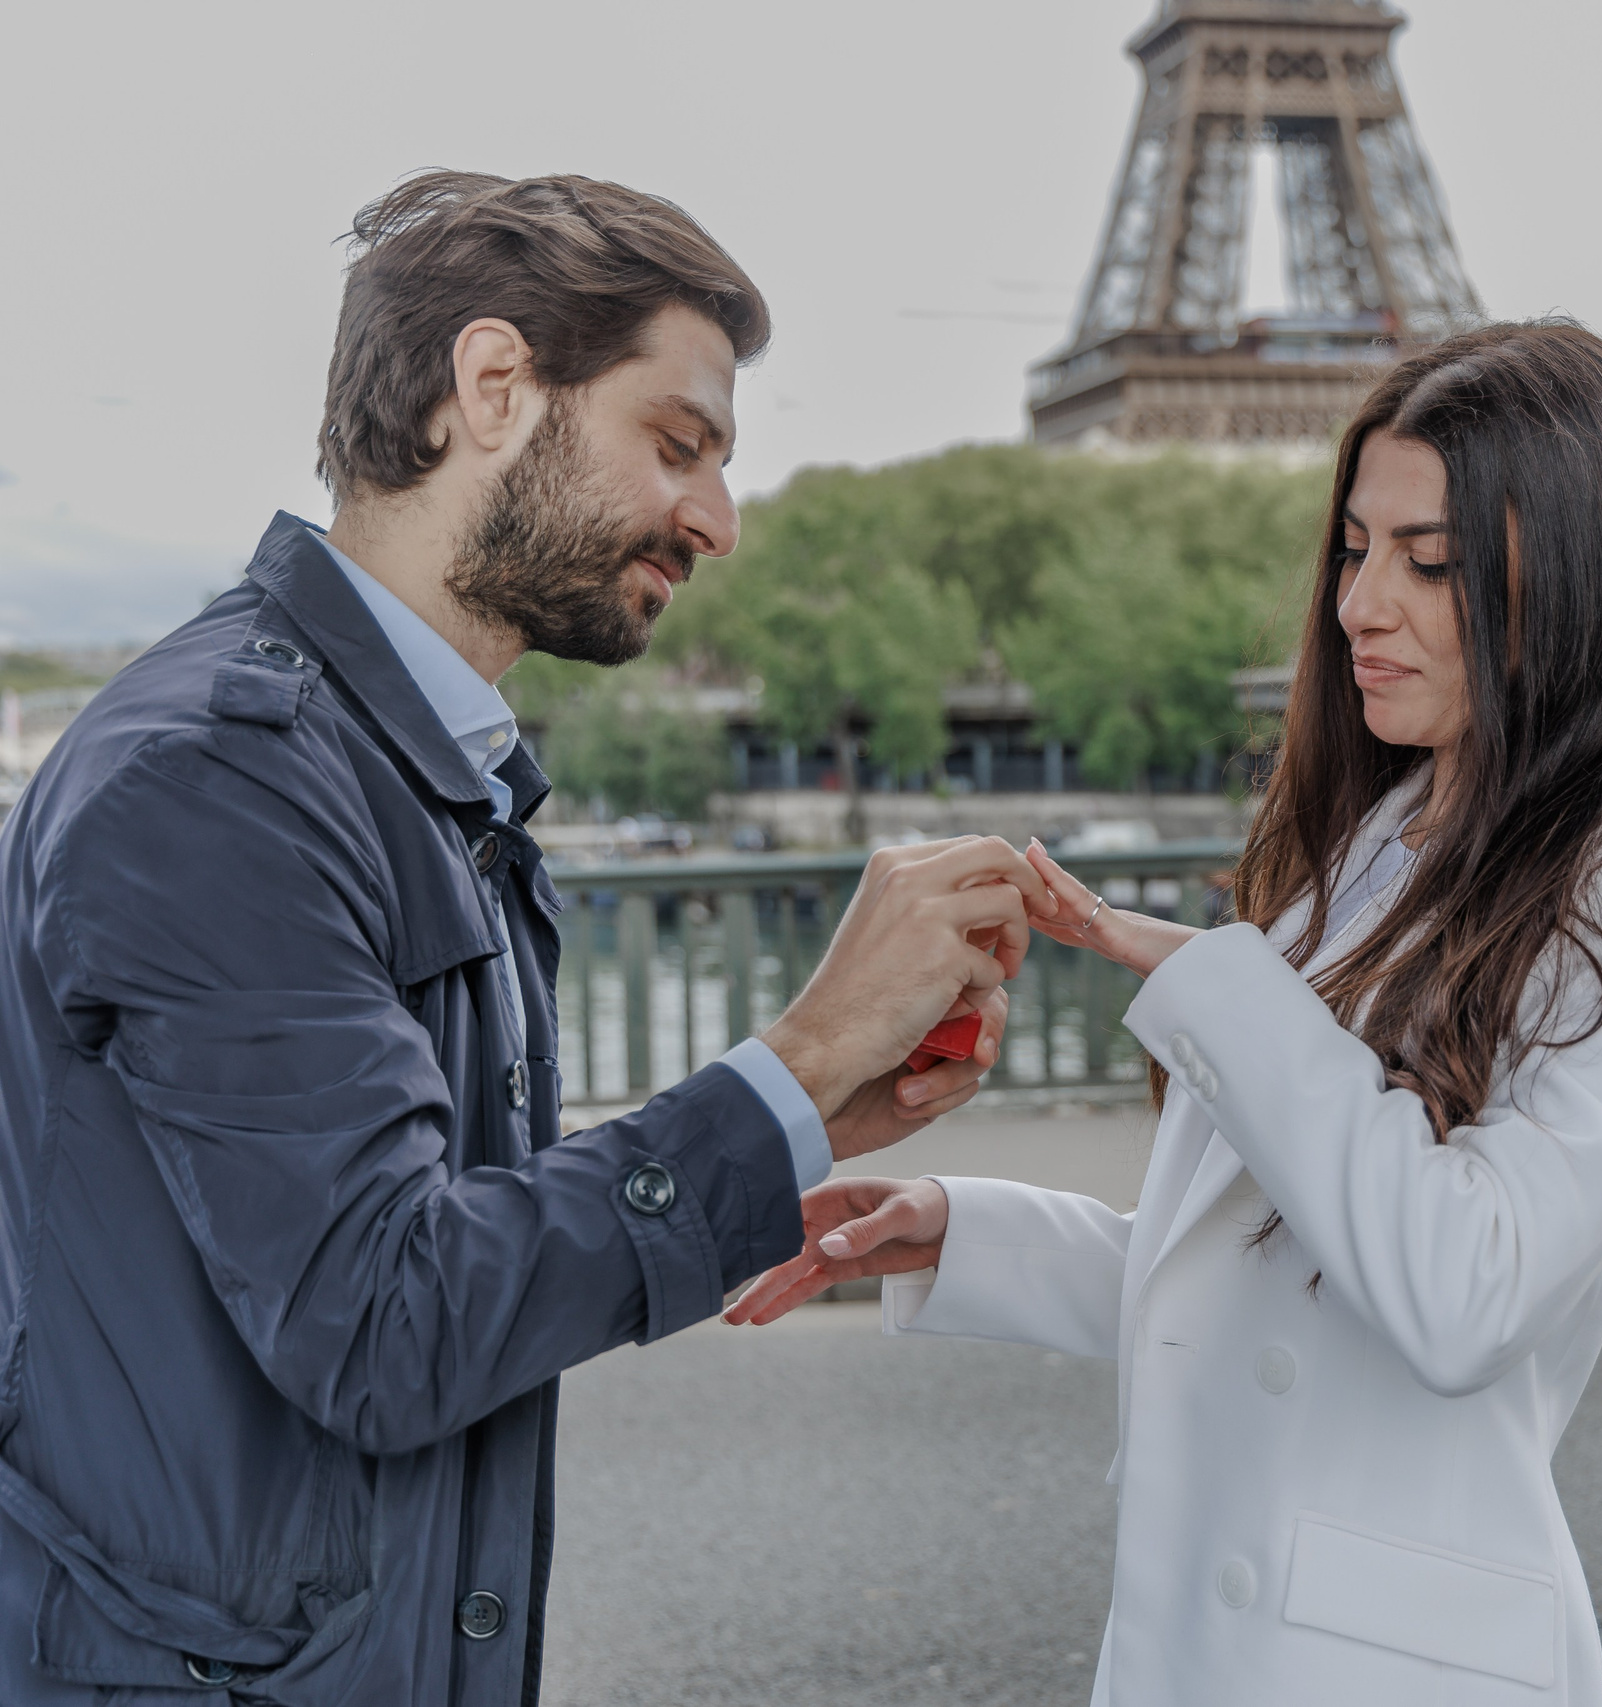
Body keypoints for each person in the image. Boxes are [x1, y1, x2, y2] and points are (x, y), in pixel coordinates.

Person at [0, 171, 1050, 1705]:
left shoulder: (412, 778)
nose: (719, 519)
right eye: (677, 444)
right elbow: (386, 1324)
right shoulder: (216, 778)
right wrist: (796, 1054)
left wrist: (807, 1112)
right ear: (491, 387)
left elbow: (413, 1266)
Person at [729, 322, 1602, 1703]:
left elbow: (1460, 1292)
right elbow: (1269, 1277)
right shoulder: (1374, 847)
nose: (1357, 606)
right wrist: (965, 1229)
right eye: (1354, 548)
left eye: (1427, 562)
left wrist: (1207, 973)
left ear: (1568, 583)